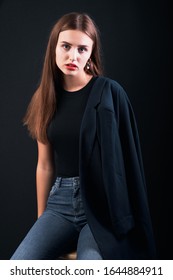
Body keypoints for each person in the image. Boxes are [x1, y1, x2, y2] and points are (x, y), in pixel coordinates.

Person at [10, 12, 156, 260]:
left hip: (101, 207)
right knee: (17, 267)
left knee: (88, 269)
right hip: (60, 204)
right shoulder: (44, 98)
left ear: (91, 53)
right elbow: (45, 165)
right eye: (66, 46)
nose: (72, 56)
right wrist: (42, 222)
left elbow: (130, 164)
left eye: (82, 49)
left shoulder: (110, 94)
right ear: (54, 47)